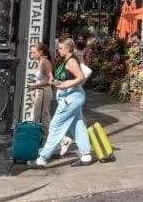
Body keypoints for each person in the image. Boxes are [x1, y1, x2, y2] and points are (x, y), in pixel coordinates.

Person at [30, 38, 94, 167]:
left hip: (71, 98)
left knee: (55, 125)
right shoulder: (66, 60)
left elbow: (80, 77)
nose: (58, 50)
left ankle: (42, 159)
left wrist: (65, 85)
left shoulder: (71, 61)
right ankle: (86, 155)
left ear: (68, 49)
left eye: (60, 48)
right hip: (70, 98)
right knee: (78, 125)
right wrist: (57, 83)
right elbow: (60, 78)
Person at [26, 42, 54, 133]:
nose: (32, 54)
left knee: (37, 117)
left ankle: (42, 140)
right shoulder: (41, 61)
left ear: (41, 52)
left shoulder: (45, 62)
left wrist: (35, 86)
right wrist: (34, 91)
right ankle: (49, 140)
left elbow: (51, 80)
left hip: (44, 92)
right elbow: (41, 79)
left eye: (34, 52)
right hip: (41, 91)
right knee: (43, 116)